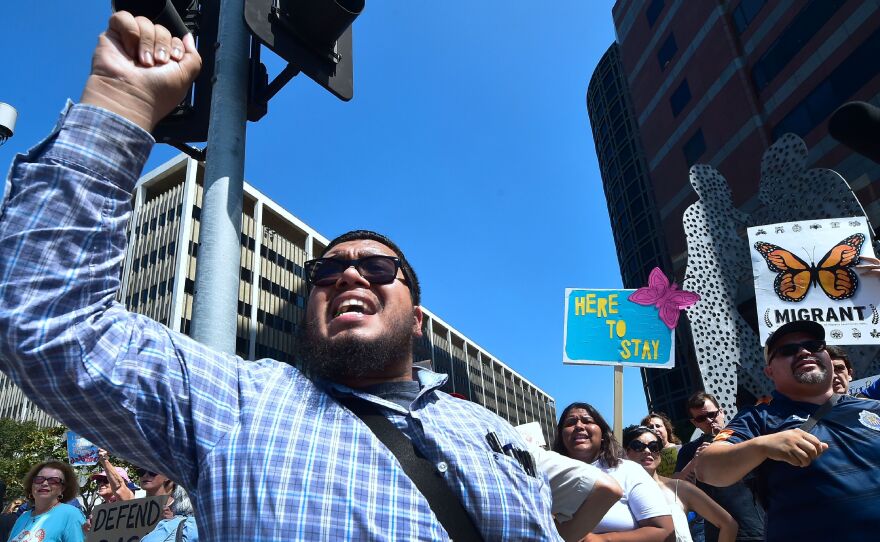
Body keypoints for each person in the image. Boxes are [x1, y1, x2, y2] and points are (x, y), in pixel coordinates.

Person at [0, 13, 560, 539]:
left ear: (416, 320)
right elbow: (49, 321)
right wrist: (119, 106)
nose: (348, 275)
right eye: (328, 270)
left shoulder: (492, 431)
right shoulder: (240, 404)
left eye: (378, 267)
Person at [700, 320, 880, 541]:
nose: (804, 352)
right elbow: (707, 469)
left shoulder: (874, 408)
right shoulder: (758, 418)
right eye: (788, 350)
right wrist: (763, 446)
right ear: (770, 371)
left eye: (814, 346)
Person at [553, 403, 673, 541]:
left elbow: (665, 532)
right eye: (571, 422)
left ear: (603, 434)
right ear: (561, 436)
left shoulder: (628, 470)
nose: (579, 426)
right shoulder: (548, 478)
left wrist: (605, 540)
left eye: (587, 421)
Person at [672, 392, 764, 542]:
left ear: (721, 412)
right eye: (701, 418)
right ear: (695, 423)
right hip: (717, 530)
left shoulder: (744, 437)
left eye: (712, 414)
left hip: (754, 524)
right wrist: (696, 461)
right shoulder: (689, 450)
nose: (709, 421)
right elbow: (677, 486)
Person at [623, 426, 737, 542]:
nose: (647, 451)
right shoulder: (619, 492)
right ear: (625, 451)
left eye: (654, 447)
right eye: (638, 446)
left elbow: (728, 524)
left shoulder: (679, 488)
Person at [7, 461, 85, 542]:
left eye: (54, 480)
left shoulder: (71, 514)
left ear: (63, 488)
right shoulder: (23, 517)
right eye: (39, 479)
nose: (44, 483)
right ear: (31, 485)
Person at [640, 412, 680, 477]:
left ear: (666, 429)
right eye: (650, 427)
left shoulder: (682, 449)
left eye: (658, 426)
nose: (655, 429)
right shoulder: (644, 456)